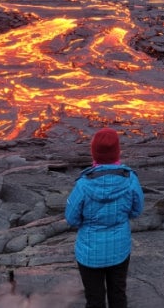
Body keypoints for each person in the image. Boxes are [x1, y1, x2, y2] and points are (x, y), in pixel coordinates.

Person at [65, 128, 144, 308]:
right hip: (119, 250)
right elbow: (136, 210)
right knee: (118, 296)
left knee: (94, 299)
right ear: (117, 151)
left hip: (89, 253)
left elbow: (71, 218)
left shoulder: (83, 184)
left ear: (94, 153)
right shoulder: (130, 179)